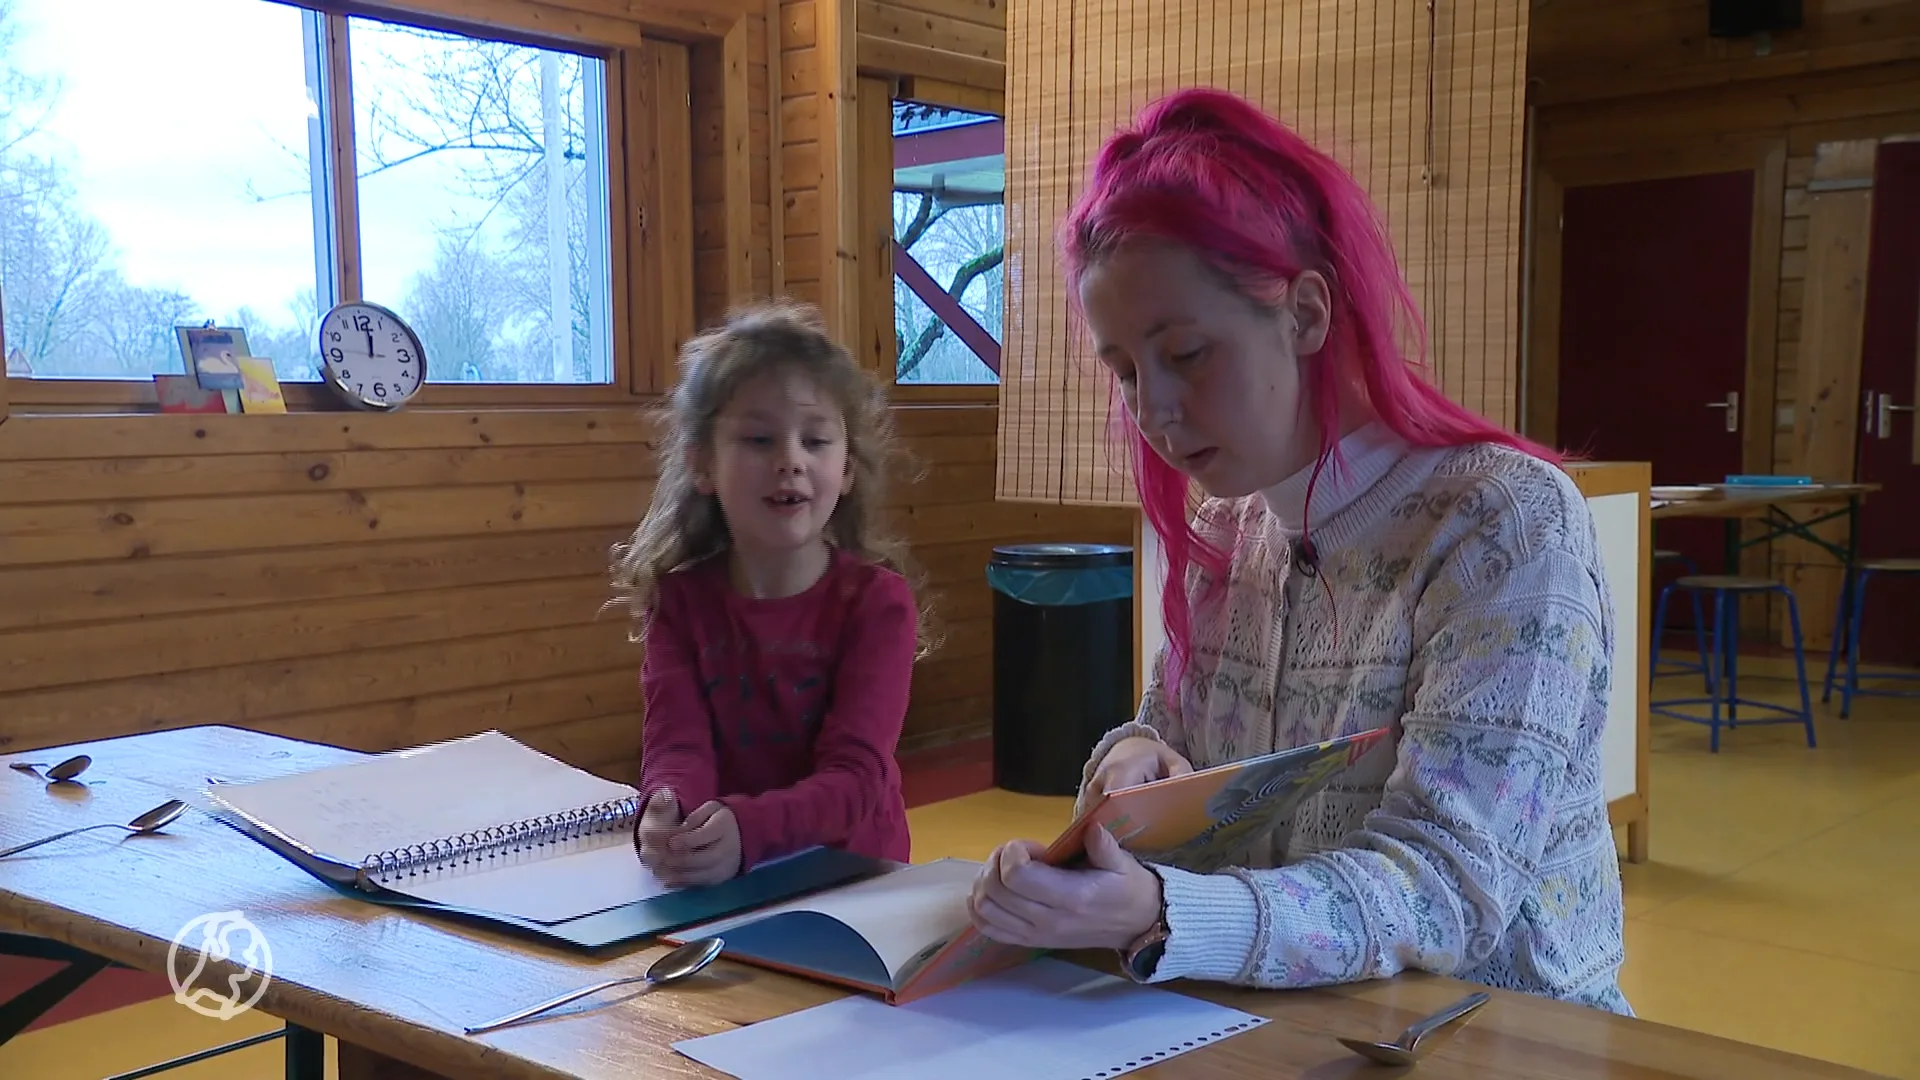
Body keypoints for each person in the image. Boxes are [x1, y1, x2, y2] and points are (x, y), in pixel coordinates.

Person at [965, 87, 1631, 1015]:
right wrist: (1134, 762)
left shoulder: (1501, 527)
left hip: (1496, 1034)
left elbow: (1445, 888)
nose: (1154, 409)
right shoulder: (1229, 526)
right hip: (1270, 1019)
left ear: (1307, 314)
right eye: (1124, 371)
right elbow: (1170, 732)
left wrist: (1158, 909)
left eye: (1186, 353)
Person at [611, 301, 930, 888]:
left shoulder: (877, 604)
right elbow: (677, 744)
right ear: (703, 464)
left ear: (847, 468)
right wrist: (666, 809)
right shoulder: (679, 602)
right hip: (729, 879)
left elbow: (856, 777)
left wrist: (747, 829)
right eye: (759, 439)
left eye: (816, 440)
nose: (790, 461)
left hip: (855, 881)